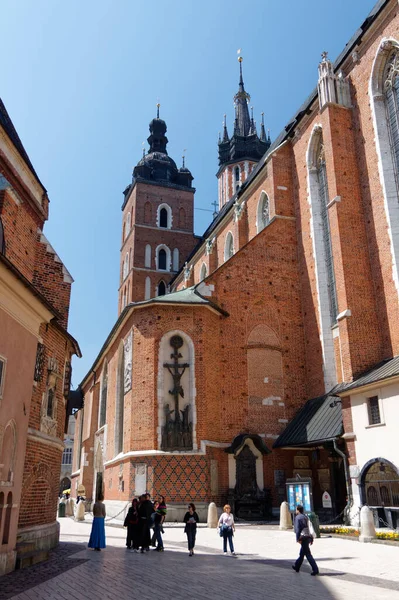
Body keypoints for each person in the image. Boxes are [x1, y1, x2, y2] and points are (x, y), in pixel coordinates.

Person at [292, 505, 319, 576]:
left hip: (303, 537)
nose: (295, 511)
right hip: (308, 536)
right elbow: (309, 527)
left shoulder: (297, 518)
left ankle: (315, 569)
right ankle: (297, 566)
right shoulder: (305, 517)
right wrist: (312, 538)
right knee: (302, 554)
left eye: (296, 510)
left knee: (307, 554)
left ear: (298, 510)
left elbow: (297, 529)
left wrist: (297, 538)